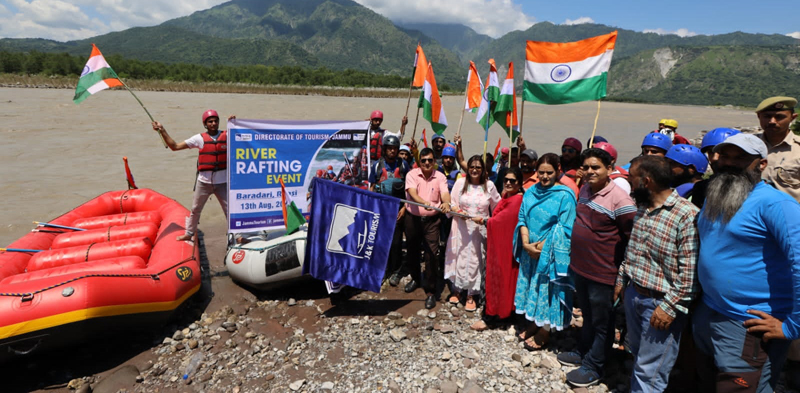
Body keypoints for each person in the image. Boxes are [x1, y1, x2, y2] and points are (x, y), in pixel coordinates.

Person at [693, 133, 800, 393]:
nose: (728, 163)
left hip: (749, 320)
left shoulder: (776, 204)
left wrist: (793, 326)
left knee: (743, 388)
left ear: (761, 164)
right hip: (709, 309)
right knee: (709, 380)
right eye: (724, 155)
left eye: (740, 158)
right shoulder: (717, 193)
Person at [615, 155, 700, 392]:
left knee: (651, 369)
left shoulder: (686, 215)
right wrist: (622, 280)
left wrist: (669, 307)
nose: (627, 181)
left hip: (660, 304)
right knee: (639, 357)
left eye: (631, 177)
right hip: (634, 294)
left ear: (647, 181)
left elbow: (690, 274)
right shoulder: (643, 207)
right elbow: (634, 249)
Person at [558, 148, 637, 388]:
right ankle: (584, 351)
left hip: (603, 272)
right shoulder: (584, 189)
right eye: (587, 167)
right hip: (581, 267)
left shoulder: (620, 200)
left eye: (596, 167)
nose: (590, 171)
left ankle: (595, 366)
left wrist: (622, 276)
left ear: (609, 169)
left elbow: (631, 238)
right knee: (589, 316)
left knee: (603, 322)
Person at [753, 96, 800, 390]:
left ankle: (791, 367)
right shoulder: (748, 148)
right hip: (752, 236)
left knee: (792, 291)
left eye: (779, 116)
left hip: (788, 238)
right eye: (767, 116)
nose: (772, 121)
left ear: (791, 118)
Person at [513, 153, 577, 350]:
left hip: (549, 254)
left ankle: (546, 330)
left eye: (549, 173)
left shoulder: (565, 196)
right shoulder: (531, 191)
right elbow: (522, 217)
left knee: (548, 289)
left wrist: (540, 248)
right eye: (541, 172)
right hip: (529, 252)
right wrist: (525, 243)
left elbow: (565, 228)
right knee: (534, 287)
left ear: (558, 170)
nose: (544, 177)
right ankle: (535, 321)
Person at [152, 110, 234, 241]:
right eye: (210, 121)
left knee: (230, 209)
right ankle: (189, 233)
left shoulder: (228, 135)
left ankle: (237, 235)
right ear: (205, 124)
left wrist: (234, 124)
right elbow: (175, 146)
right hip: (204, 183)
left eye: (215, 121)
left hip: (222, 182)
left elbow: (245, 137)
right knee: (195, 209)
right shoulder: (199, 139)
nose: (213, 123)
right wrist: (162, 130)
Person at [444, 155, 500, 312]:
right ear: (467, 169)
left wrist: (490, 222)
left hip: (479, 228)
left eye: (478, 167)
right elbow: (452, 201)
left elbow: (497, 206)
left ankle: (471, 294)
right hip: (461, 227)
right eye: (472, 167)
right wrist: (456, 210)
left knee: (476, 259)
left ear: (483, 170)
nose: (475, 170)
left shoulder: (489, 185)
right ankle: (457, 290)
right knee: (459, 256)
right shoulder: (461, 182)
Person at [470, 167, 524, 331]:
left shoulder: (517, 200)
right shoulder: (507, 196)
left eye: (512, 180)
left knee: (499, 277)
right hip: (503, 244)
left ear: (519, 183)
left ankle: (493, 316)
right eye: (506, 179)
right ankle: (503, 313)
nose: (508, 182)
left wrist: (485, 221)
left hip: (504, 247)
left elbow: (501, 221)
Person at [404, 148, 452, 309]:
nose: (426, 163)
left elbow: (445, 194)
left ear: (434, 162)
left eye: (430, 160)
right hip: (412, 218)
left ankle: (431, 291)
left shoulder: (440, 177)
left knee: (432, 254)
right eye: (423, 160)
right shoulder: (411, 174)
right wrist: (422, 201)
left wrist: (446, 203)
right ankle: (416, 278)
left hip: (432, 221)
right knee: (412, 250)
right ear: (419, 162)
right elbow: (412, 192)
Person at [370, 135, 411, 287]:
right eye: (389, 148)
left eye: (394, 148)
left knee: (396, 242)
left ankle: (396, 269)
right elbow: (372, 187)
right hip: (381, 209)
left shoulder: (404, 165)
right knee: (380, 241)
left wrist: (405, 208)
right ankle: (382, 268)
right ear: (384, 149)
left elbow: (410, 188)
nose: (392, 151)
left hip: (398, 209)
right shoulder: (377, 165)